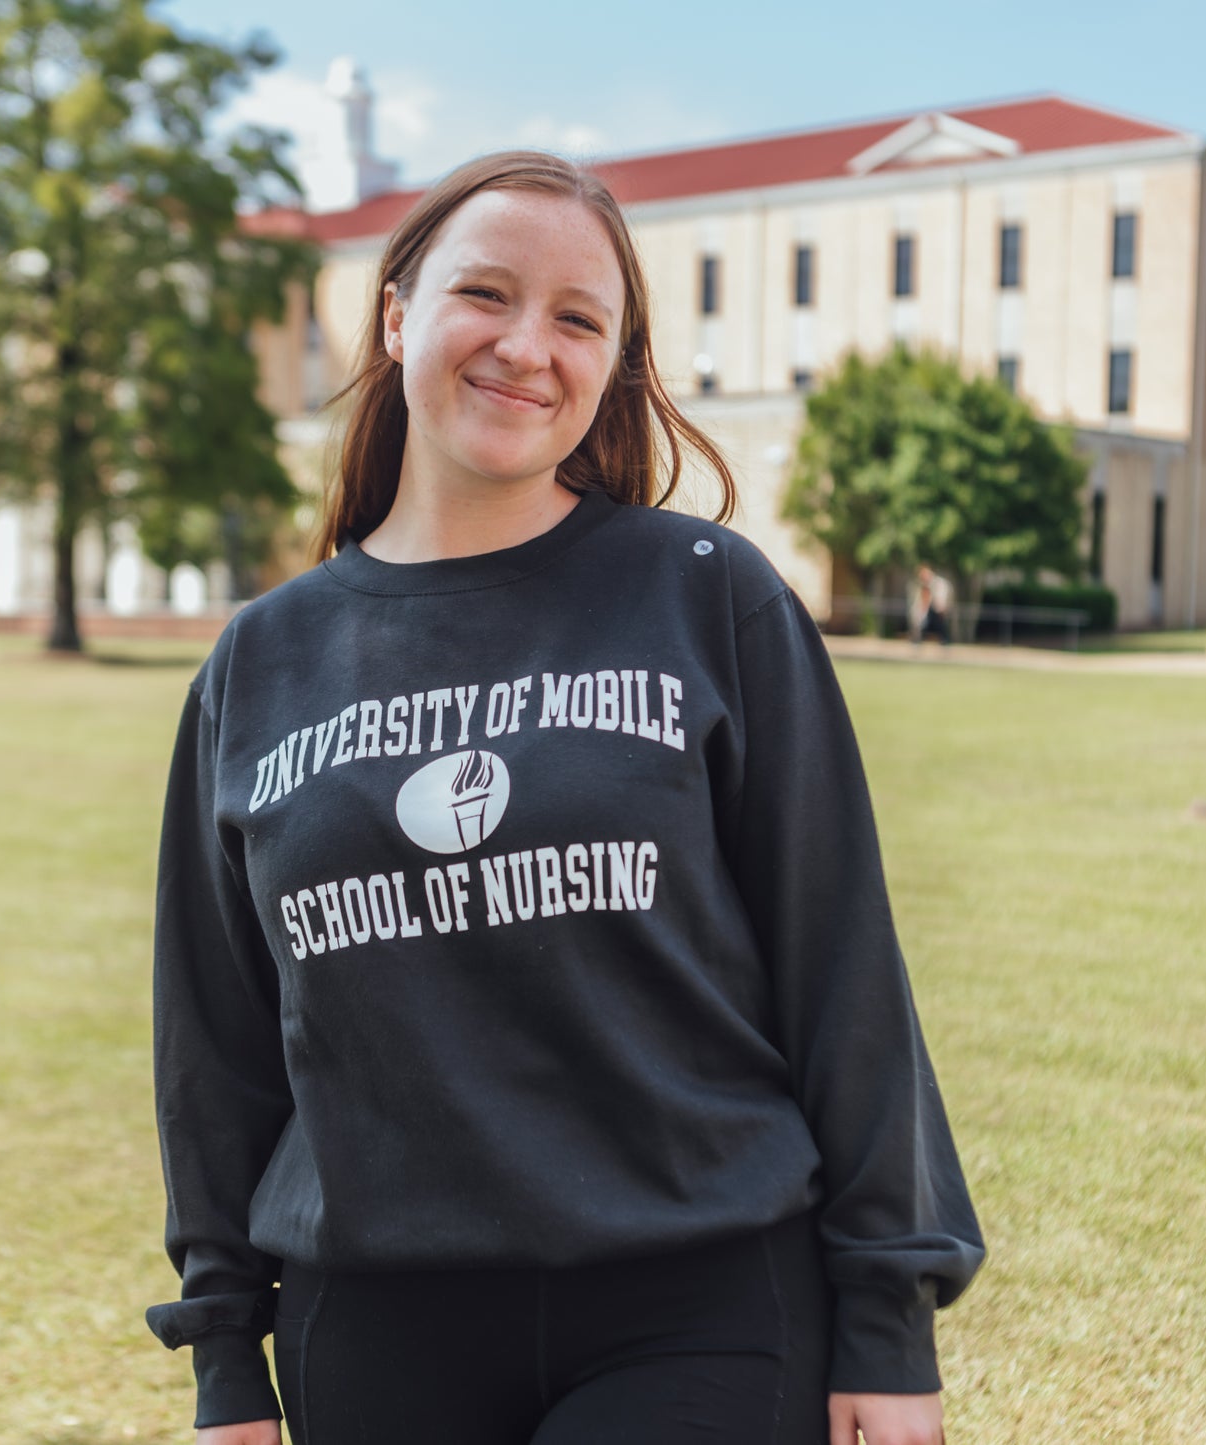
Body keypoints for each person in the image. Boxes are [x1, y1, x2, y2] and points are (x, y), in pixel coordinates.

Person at [147, 152, 983, 1445]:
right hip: (371, 1319)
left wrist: (888, 1321)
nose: (527, 348)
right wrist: (220, 1360)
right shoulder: (260, 664)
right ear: (395, 315)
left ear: (614, 363)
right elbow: (216, 1044)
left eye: (578, 318)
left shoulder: (708, 596)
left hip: (696, 1296)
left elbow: (845, 977)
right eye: (486, 294)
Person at [909, 565, 953, 645]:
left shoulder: (938, 583)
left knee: (938, 623)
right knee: (923, 622)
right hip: (931, 608)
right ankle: (918, 639)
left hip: (937, 608)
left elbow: (941, 599)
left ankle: (944, 640)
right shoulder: (925, 585)